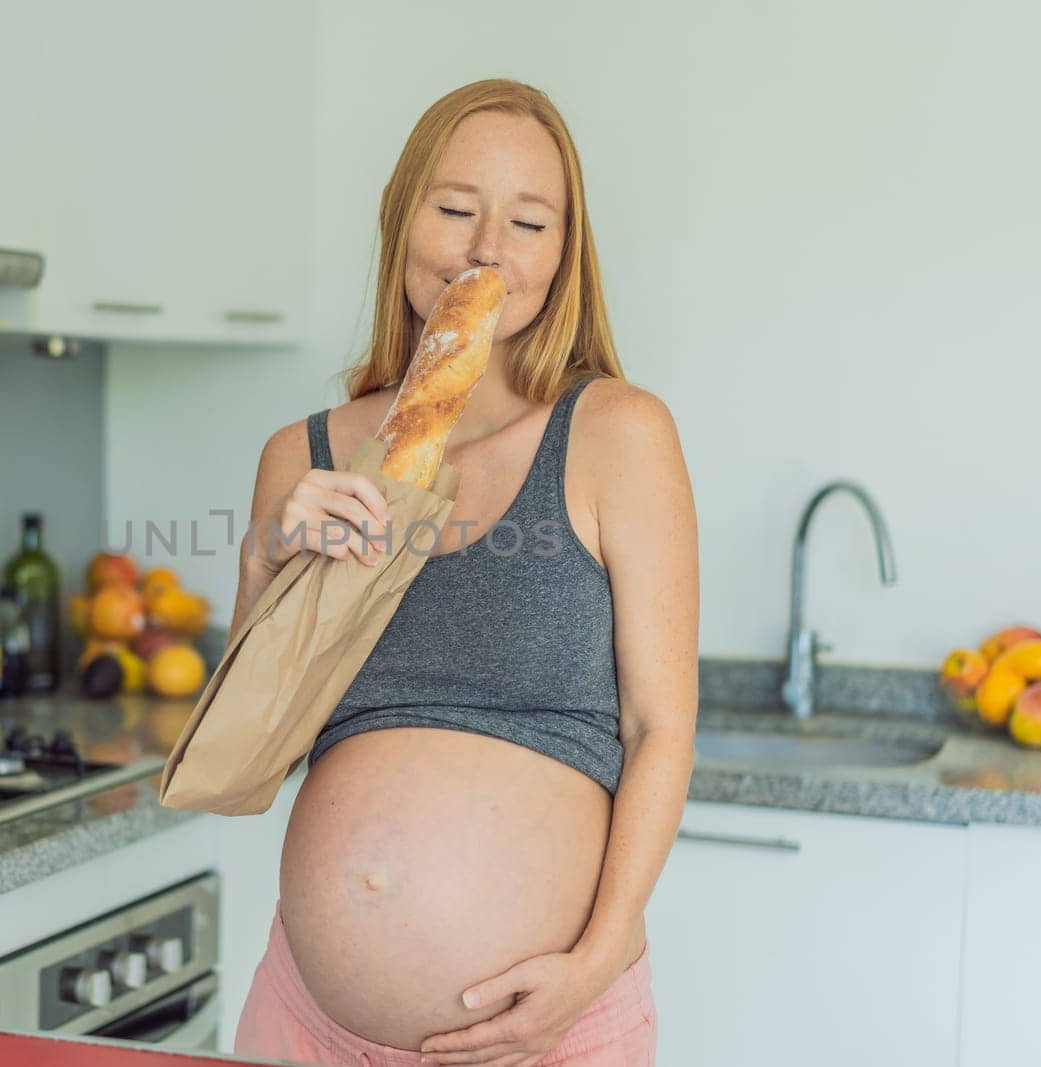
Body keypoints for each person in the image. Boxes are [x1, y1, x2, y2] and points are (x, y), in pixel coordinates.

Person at [229, 78, 699, 1067]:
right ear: (401, 219)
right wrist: (264, 552)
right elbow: (251, 762)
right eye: (454, 209)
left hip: (546, 1033)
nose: (486, 248)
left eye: (528, 221)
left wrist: (598, 956)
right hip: (307, 1027)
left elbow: (660, 727)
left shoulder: (616, 431)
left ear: (563, 253)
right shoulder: (304, 455)